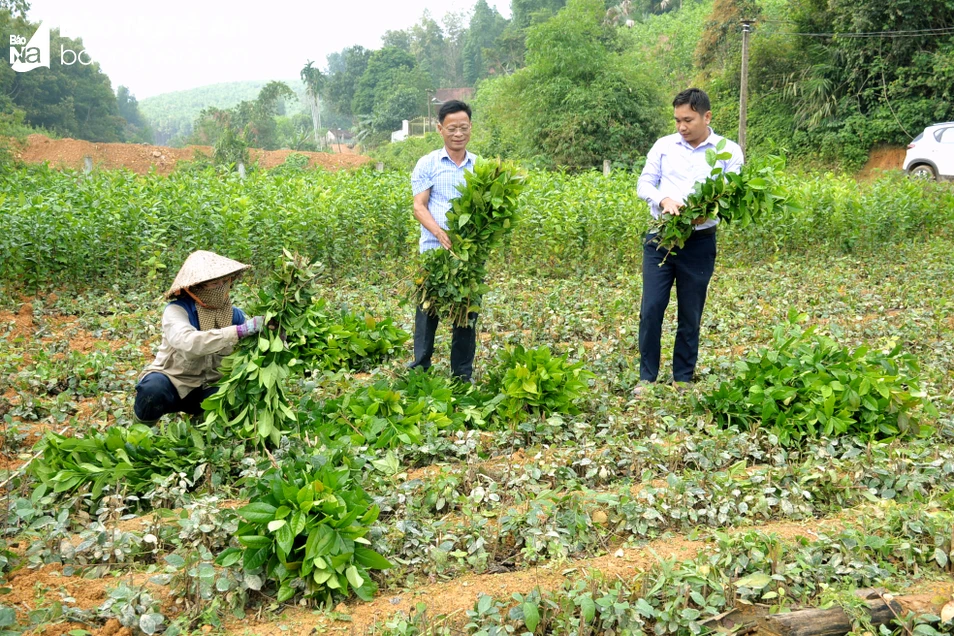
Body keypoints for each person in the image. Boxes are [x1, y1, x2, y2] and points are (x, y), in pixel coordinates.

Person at [635, 88, 743, 389]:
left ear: (706, 117)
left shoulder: (728, 150)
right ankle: (647, 378)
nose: (681, 127)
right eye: (677, 120)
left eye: (688, 120)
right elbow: (644, 183)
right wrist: (663, 199)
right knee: (651, 309)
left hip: (699, 242)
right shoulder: (664, 146)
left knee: (690, 313)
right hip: (662, 239)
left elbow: (731, 194)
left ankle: (682, 380)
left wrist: (708, 212)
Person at [134, 250, 265, 423]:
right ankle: (139, 432)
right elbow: (188, 343)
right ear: (194, 288)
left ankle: (203, 426)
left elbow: (252, 351)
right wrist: (238, 332)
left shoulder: (234, 315)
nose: (219, 287)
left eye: (223, 282)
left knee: (241, 393)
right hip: (175, 382)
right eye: (212, 284)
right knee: (153, 390)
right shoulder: (177, 311)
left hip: (209, 388)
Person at [408, 99, 479, 382]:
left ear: (470, 128)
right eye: (452, 128)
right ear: (440, 129)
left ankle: (462, 375)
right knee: (427, 311)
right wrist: (439, 233)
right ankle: (420, 369)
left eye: (463, 127)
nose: (458, 133)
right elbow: (419, 206)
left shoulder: (480, 166)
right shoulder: (428, 163)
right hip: (433, 252)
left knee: (466, 314)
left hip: (467, 256)